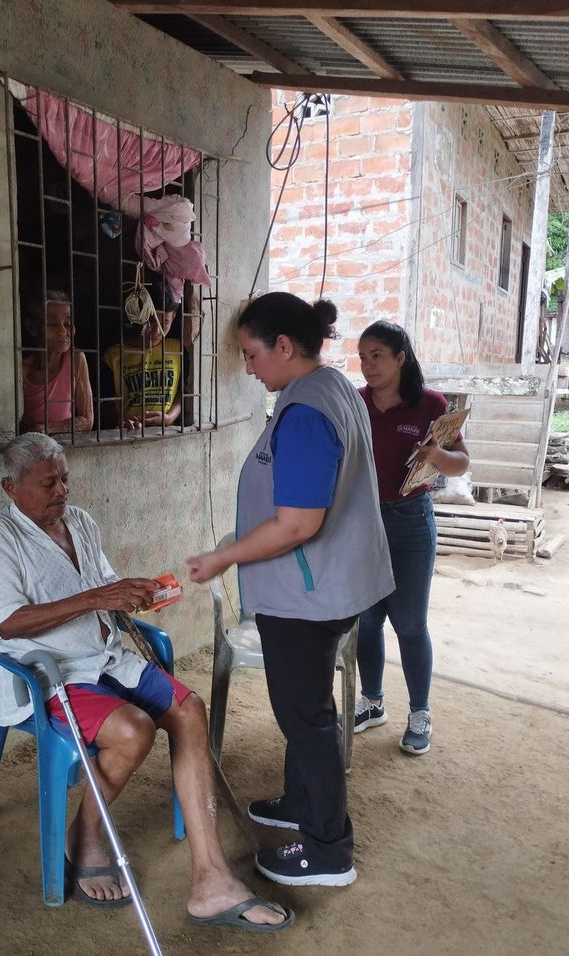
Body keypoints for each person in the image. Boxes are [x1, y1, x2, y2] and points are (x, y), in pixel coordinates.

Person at [0, 432, 292, 932]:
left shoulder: (80, 522)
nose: (62, 491)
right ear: (12, 488)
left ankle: (211, 878)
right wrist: (98, 597)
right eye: (49, 484)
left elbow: (103, 587)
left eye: (65, 479)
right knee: (133, 730)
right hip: (52, 674)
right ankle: (85, 835)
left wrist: (135, 595)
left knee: (190, 710)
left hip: (107, 659)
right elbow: (7, 624)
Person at [186, 293, 394, 887]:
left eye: (251, 354)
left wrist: (222, 557)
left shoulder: (306, 411)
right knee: (309, 705)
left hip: (307, 594)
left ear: (283, 346)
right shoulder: (331, 388)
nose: (248, 368)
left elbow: (298, 523)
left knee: (305, 715)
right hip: (328, 584)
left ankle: (328, 850)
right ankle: (300, 802)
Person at [356, 320, 470, 755]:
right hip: (365, 523)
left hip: (410, 524)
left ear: (400, 358)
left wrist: (437, 455)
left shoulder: (430, 405)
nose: (368, 365)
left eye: (377, 356)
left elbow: (461, 463)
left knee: (409, 623)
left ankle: (420, 711)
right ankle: (372, 702)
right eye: (362, 357)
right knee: (368, 620)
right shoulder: (356, 402)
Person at [102, 282, 183, 429]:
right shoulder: (113, 355)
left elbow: (185, 393)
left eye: (165, 322)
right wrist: (120, 422)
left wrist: (169, 418)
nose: (157, 331)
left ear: (174, 317)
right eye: (151, 321)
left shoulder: (177, 349)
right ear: (141, 314)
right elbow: (105, 403)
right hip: (128, 432)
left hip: (167, 433)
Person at [21, 291, 94, 434]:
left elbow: (87, 420)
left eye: (68, 323)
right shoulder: (23, 370)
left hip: (64, 444)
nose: (63, 331)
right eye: (52, 324)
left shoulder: (76, 359)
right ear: (32, 327)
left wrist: (45, 429)